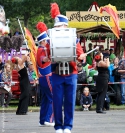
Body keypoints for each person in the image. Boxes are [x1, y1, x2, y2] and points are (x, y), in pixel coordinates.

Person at [50, 3, 87, 133]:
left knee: (70, 102)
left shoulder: (74, 40)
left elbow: (81, 55)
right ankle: (58, 126)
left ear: (66, 26)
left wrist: (82, 56)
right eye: (56, 27)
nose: (58, 29)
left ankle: (68, 126)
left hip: (71, 74)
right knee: (57, 101)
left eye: (60, 26)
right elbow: (48, 55)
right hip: (57, 74)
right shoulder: (51, 40)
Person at [36, 22, 54, 127]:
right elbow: (44, 59)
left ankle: (42, 120)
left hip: (43, 78)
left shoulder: (40, 49)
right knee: (53, 97)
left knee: (46, 99)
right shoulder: (42, 50)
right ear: (43, 41)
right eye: (46, 40)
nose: (47, 42)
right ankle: (49, 119)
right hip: (47, 77)